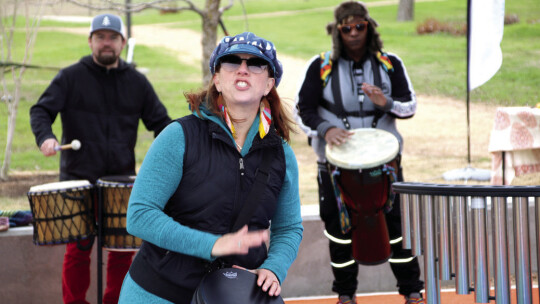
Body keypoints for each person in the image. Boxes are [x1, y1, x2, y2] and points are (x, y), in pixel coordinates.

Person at [117, 32, 303, 304]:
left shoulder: (281, 154)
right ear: (216, 79)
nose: (242, 69)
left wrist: (273, 268)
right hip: (159, 292)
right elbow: (139, 215)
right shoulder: (179, 136)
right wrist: (213, 245)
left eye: (255, 64)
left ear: (269, 84)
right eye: (231, 61)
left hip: (233, 296)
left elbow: (288, 227)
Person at [29, 13, 171, 304]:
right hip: (77, 180)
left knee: (122, 253)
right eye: (100, 37)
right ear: (90, 41)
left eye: (112, 38)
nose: (106, 43)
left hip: (120, 182)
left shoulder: (136, 82)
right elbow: (40, 111)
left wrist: (180, 149)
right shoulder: (70, 77)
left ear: (121, 43)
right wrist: (45, 137)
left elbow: (162, 123)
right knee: (77, 252)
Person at [295, 1, 424, 304]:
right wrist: (326, 130)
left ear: (369, 28)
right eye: (347, 28)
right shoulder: (321, 66)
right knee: (339, 231)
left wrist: (387, 104)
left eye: (360, 26)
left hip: (385, 165)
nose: (354, 33)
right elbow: (302, 111)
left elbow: (410, 106)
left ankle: (412, 290)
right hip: (334, 166)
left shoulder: (390, 63)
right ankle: (345, 294)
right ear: (338, 32)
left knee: (397, 228)